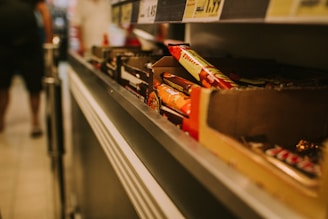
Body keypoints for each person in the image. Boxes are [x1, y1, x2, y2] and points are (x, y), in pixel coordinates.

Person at [0, 0, 50, 137]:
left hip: (29, 47)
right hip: (3, 46)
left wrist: (49, 41)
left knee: (34, 87)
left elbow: (44, 11)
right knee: (2, 87)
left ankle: (35, 122)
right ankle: (1, 121)